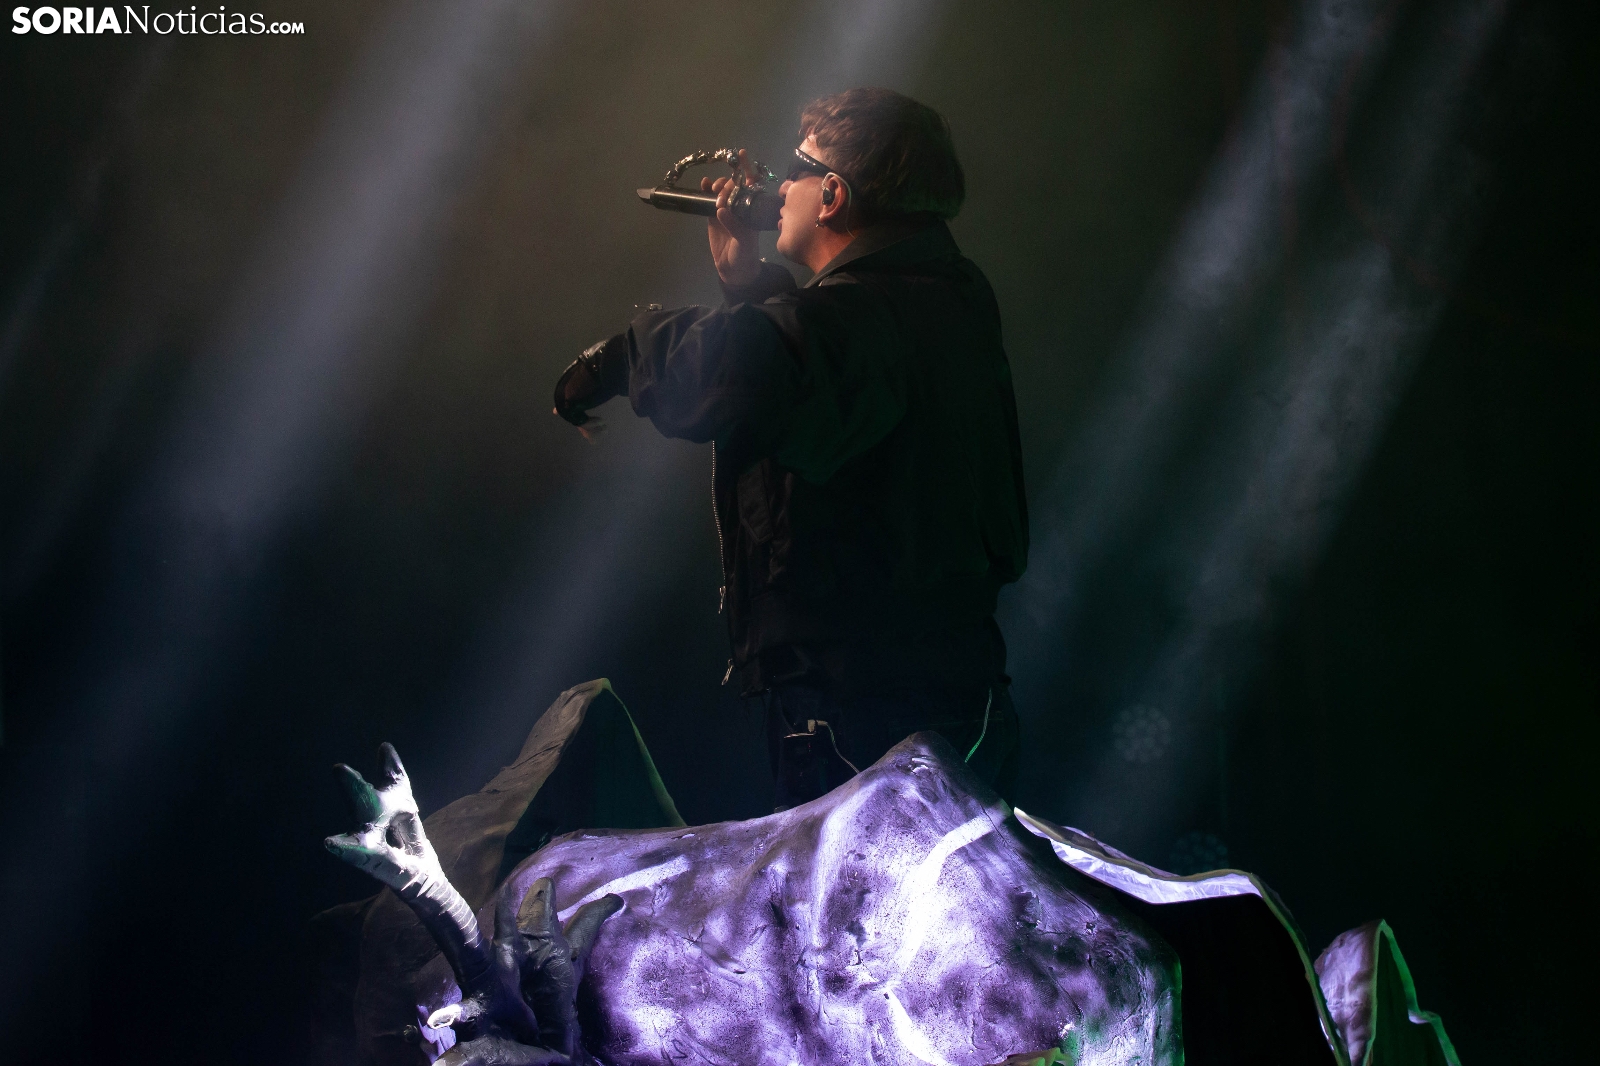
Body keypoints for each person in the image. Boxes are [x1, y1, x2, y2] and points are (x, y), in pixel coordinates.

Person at [553, 88, 1028, 808]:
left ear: (832, 195)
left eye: (795, 168)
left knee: (850, 890)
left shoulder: (863, 318)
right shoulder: (949, 294)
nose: (776, 188)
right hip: (954, 698)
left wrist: (618, 356)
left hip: (860, 714)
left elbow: (745, 364)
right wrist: (750, 284)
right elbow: (816, 381)